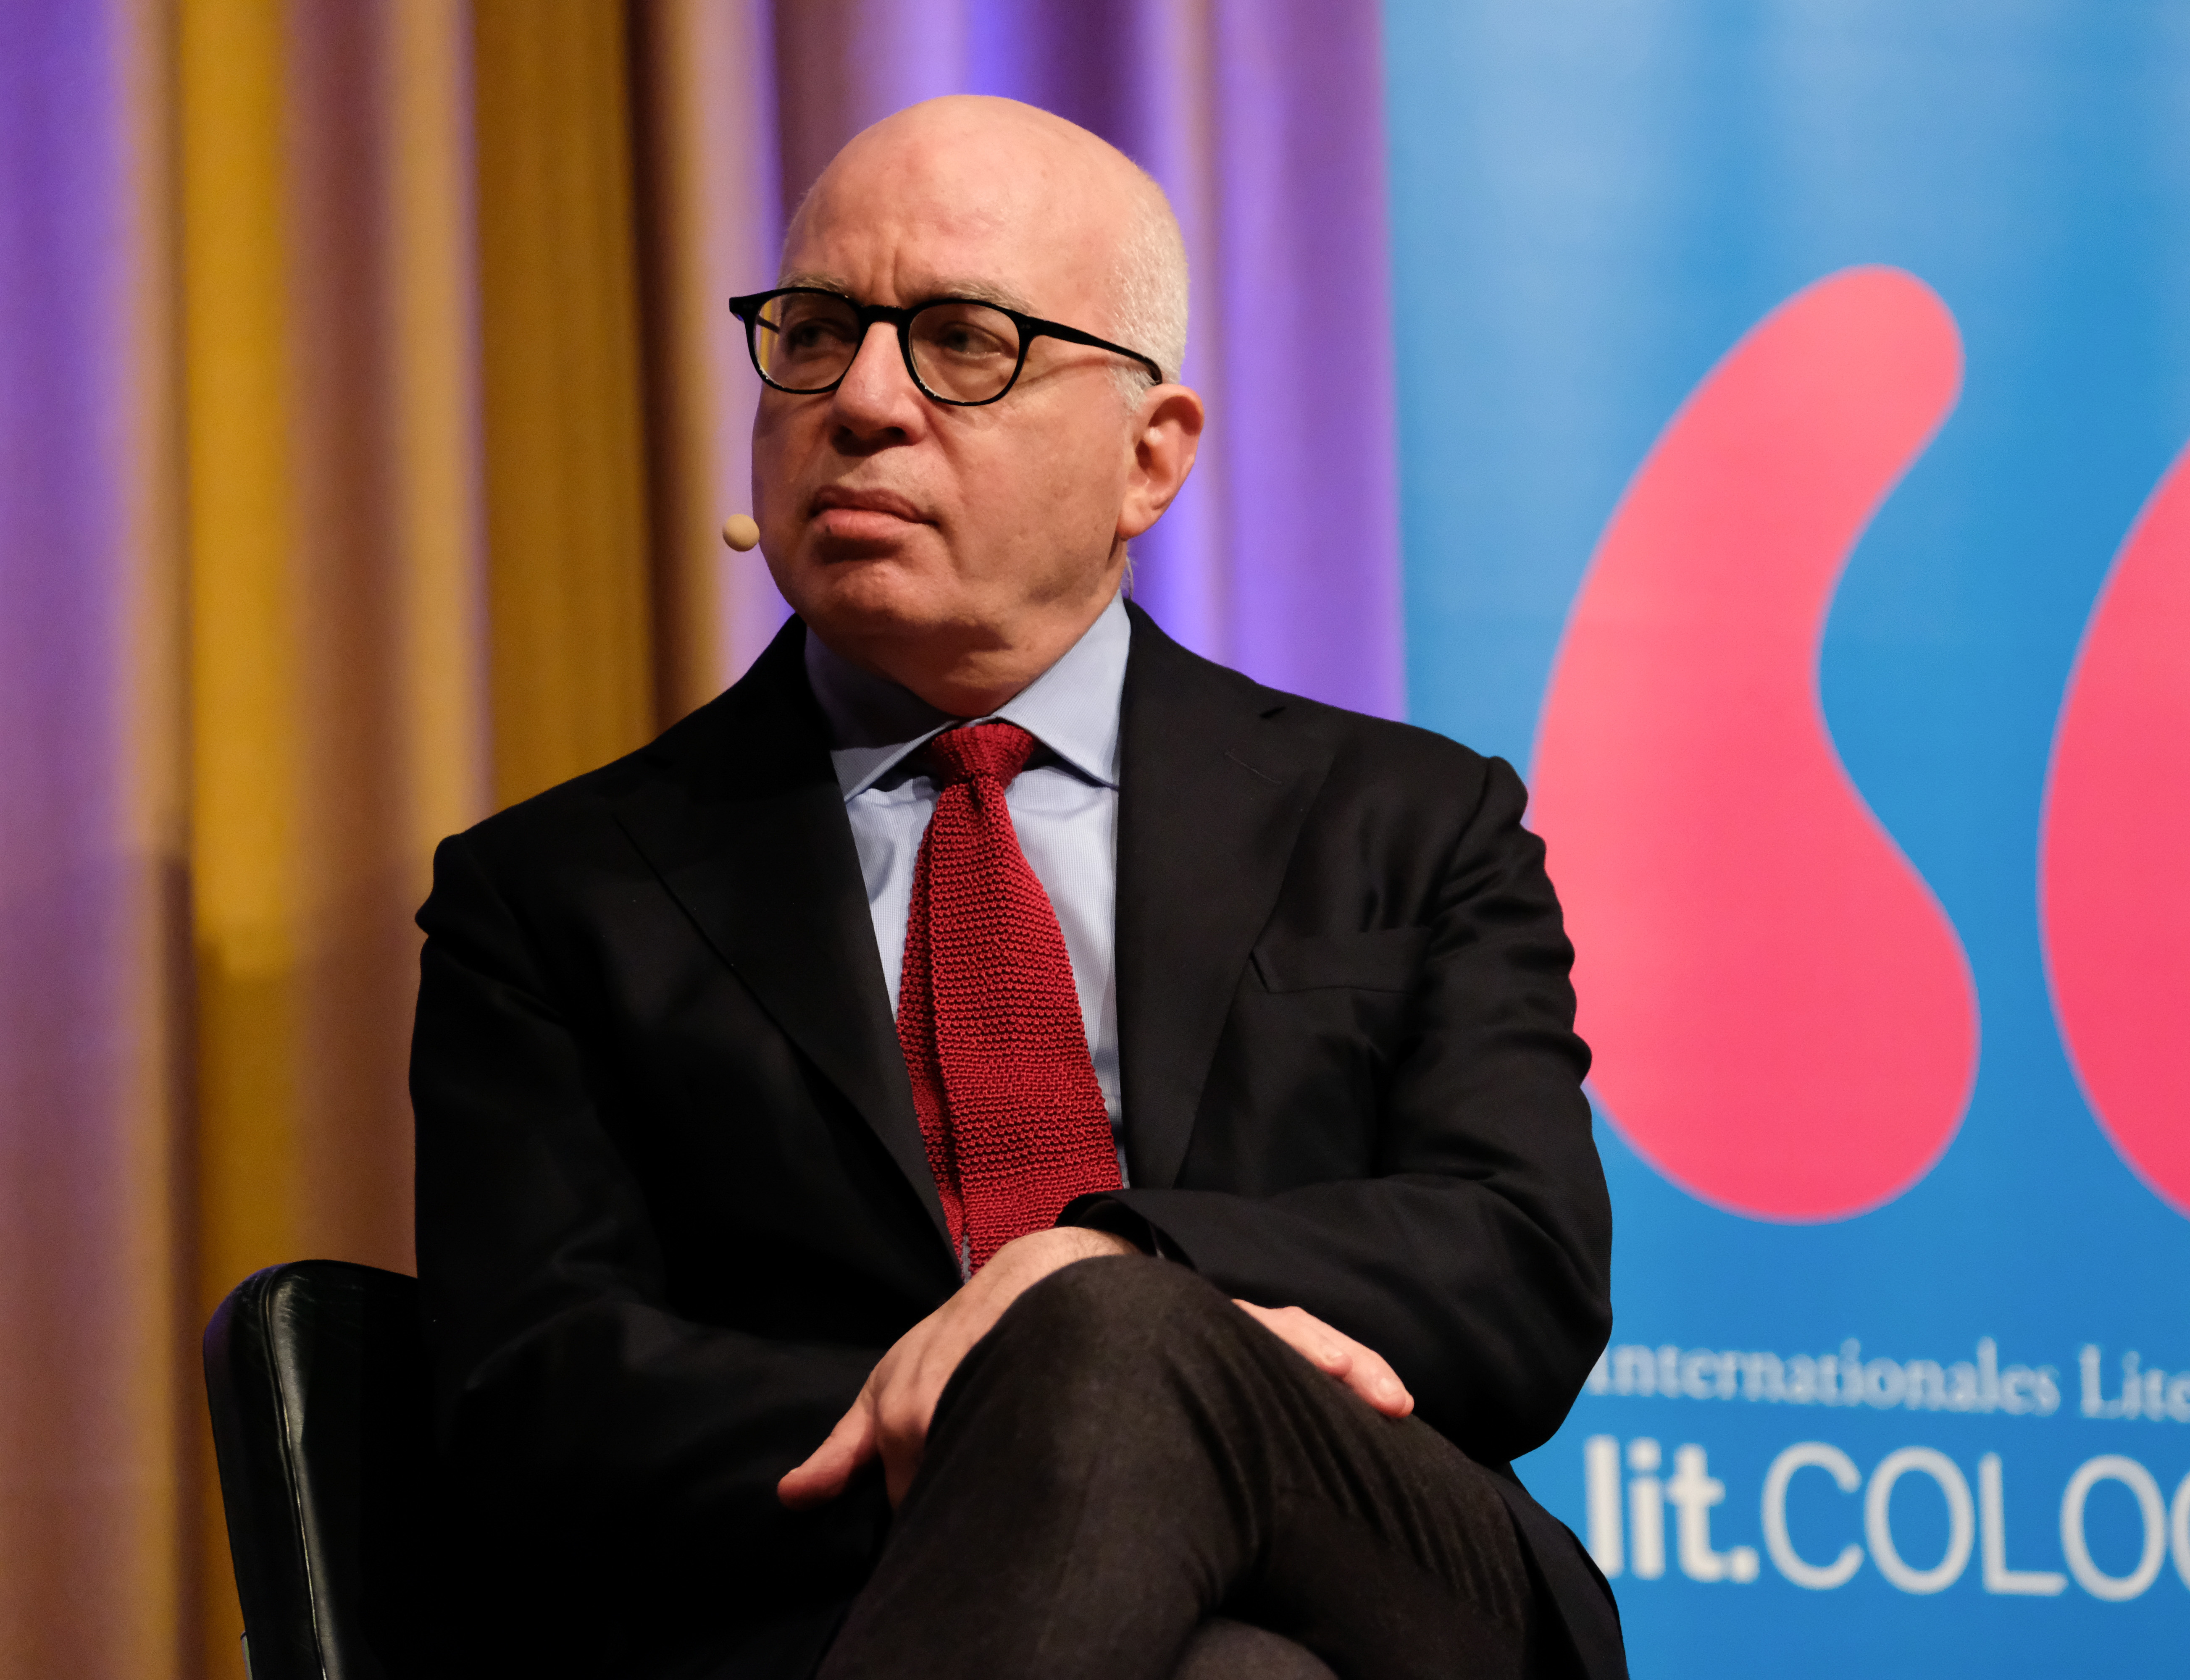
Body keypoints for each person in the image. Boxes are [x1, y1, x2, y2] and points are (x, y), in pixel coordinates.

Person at [413, 94, 1619, 1680]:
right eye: (819, 331)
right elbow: (540, 1390)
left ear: (1150, 456)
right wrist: (1010, 1400)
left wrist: (1116, 1279)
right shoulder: (561, 895)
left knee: (1110, 1327)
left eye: (963, 342)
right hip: (838, 1593)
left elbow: (1513, 1254)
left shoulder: (1403, 818)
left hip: (1388, 1566)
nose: (862, 402)